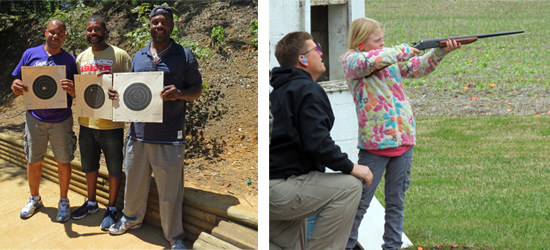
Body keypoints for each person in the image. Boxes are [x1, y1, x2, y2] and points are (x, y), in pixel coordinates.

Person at [340, 17, 461, 250]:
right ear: (361, 43)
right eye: (377, 41)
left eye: (383, 39)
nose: (383, 44)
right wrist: (401, 50)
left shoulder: (389, 60)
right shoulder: (352, 61)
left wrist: (440, 52)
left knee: (396, 204)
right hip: (374, 148)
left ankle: (392, 247)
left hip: (403, 142)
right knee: (360, 204)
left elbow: (418, 68)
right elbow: (371, 60)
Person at [107, 6, 202, 250]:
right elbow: (131, 90)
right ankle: (131, 220)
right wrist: (118, 93)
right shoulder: (138, 56)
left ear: (172, 25)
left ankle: (174, 236)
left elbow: (197, 90)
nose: (159, 26)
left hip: (169, 135)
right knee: (134, 185)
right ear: (149, 25)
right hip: (137, 134)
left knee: (170, 191)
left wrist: (180, 93)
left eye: (164, 22)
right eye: (155, 22)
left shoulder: (184, 56)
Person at [269, 31, 374, 250]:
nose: (321, 52)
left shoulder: (278, 92)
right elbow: (318, 143)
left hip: (272, 190)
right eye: (316, 48)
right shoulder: (307, 89)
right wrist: (353, 167)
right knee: (350, 187)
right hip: (283, 188)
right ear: (303, 59)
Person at [11, 18, 78, 222]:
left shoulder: (70, 60)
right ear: (45, 33)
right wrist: (16, 86)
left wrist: (72, 89)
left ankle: (64, 201)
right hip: (34, 118)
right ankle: (34, 198)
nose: (56, 36)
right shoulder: (30, 54)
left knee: (64, 161)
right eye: (52, 32)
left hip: (62, 118)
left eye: (60, 33)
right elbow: (17, 79)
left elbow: (78, 93)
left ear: (65, 36)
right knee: (33, 160)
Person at [69, 15, 132, 230]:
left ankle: (112, 207)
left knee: (114, 168)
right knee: (89, 166)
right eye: (89, 30)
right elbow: (79, 90)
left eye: (96, 29)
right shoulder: (81, 58)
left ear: (105, 31)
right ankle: (92, 202)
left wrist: (118, 90)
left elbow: (133, 88)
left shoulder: (120, 55)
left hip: (111, 124)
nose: (92, 33)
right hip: (87, 122)